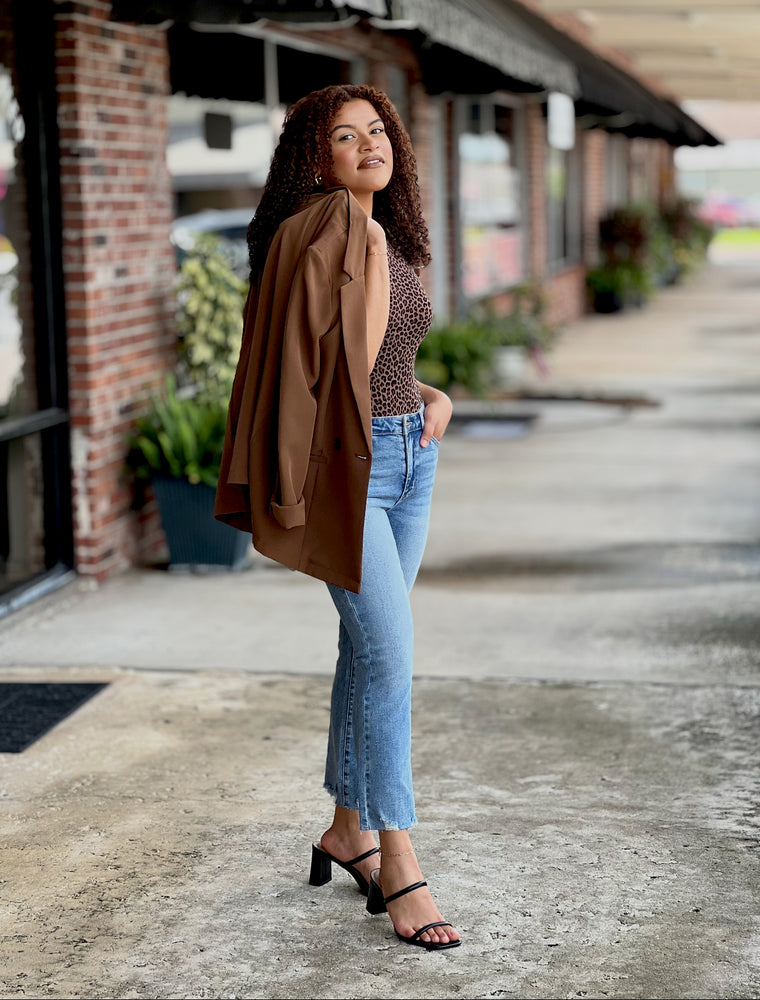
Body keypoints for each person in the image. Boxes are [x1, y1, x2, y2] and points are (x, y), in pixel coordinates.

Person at [215, 84, 460, 951]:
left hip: (407, 459)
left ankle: (345, 829)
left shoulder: (383, 234)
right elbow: (306, 376)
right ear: (312, 160)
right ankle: (399, 858)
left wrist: (431, 393)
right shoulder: (321, 232)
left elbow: (376, 362)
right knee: (391, 655)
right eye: (344, 136)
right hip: (343, 478)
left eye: (378, 130)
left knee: (367, 648)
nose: (369, 144)